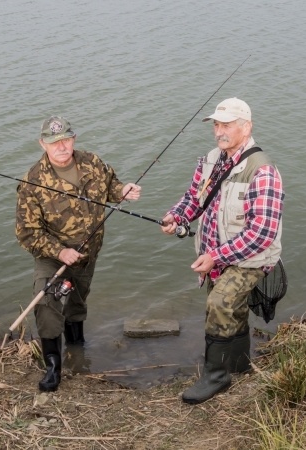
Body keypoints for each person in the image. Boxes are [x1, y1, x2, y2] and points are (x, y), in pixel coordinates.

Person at [160, 98, 284, 404]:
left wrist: (216, 256)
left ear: (246, 126)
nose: (219, 131)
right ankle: (239, 364)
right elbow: (194, 198)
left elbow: (261, 234)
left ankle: (216, 376)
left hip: (251, 258)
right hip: (215, 255)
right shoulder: (210, 160)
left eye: (226, 124)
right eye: (216, 124)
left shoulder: (263, 171)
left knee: (219, 303)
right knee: (233, 307)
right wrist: (176, 216)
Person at [16, 115, 141, 392]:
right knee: (47, 301)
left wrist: (124, 190)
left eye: (65, 140)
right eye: (53, 142)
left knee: (78, 301)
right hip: (52, 257)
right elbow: (27, 233)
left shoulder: (93, 162)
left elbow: (111, 187)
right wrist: (60, 252)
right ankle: (53, 366)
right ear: (42, 144)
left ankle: (77, 348)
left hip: (88, 253)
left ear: (73, 138)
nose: (61, 147)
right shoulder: (32, 182)